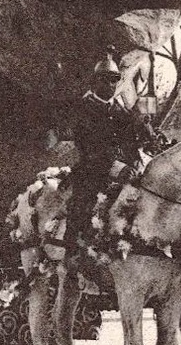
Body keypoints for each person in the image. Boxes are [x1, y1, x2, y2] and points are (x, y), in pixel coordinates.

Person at [64, 53, 150, 254]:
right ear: (95, 82)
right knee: (83, 204)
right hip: (92, 169)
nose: (111, 84)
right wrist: (116, 166)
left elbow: (129, 140)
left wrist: (144, 133)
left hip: (124, 170)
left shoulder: (120, 110)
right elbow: (89, 146)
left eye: (115, 79)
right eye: (106, 79)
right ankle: (73, 256)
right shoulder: (83, 108)